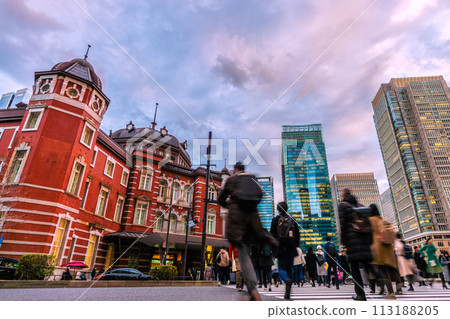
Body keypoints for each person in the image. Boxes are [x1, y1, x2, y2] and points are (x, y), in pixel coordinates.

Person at [218, 162, 278, 301]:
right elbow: (259, 195)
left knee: (243, 253)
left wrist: (229, 204)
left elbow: (221, 199)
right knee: (247, 252)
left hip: (237, 220)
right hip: (253, 219)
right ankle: (253, 290)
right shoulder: (252, 178)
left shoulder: (232, 179)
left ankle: (252, 290)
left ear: (236, 170)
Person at [338, 188, 373, 301]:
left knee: (355, 269)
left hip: (352, 240)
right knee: (367, 264)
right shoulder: (360, 204)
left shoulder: (343, 205)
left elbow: (343, 224)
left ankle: (360, 294)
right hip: (363, 238)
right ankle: (379, 278)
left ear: (343, 195)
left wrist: (343, 240)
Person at [368, 204, 400, 299]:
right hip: (388, 248)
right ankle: (395, 287)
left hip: (379, 248)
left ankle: (390, 292)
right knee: (388, 269)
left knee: (382, 271)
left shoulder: (371, 220)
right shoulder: (382, 219)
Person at [270, 201, 300, 300]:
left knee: (281, 268)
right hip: (291, 248)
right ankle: (287, 293)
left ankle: (286, 280)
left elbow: (272, 235)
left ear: (278, 210)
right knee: (290, 268)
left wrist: (273, 248)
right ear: (287, 209)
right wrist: (295, 246)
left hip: (280, 247)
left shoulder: (275, 220)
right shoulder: (292, 220)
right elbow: (297, 236)